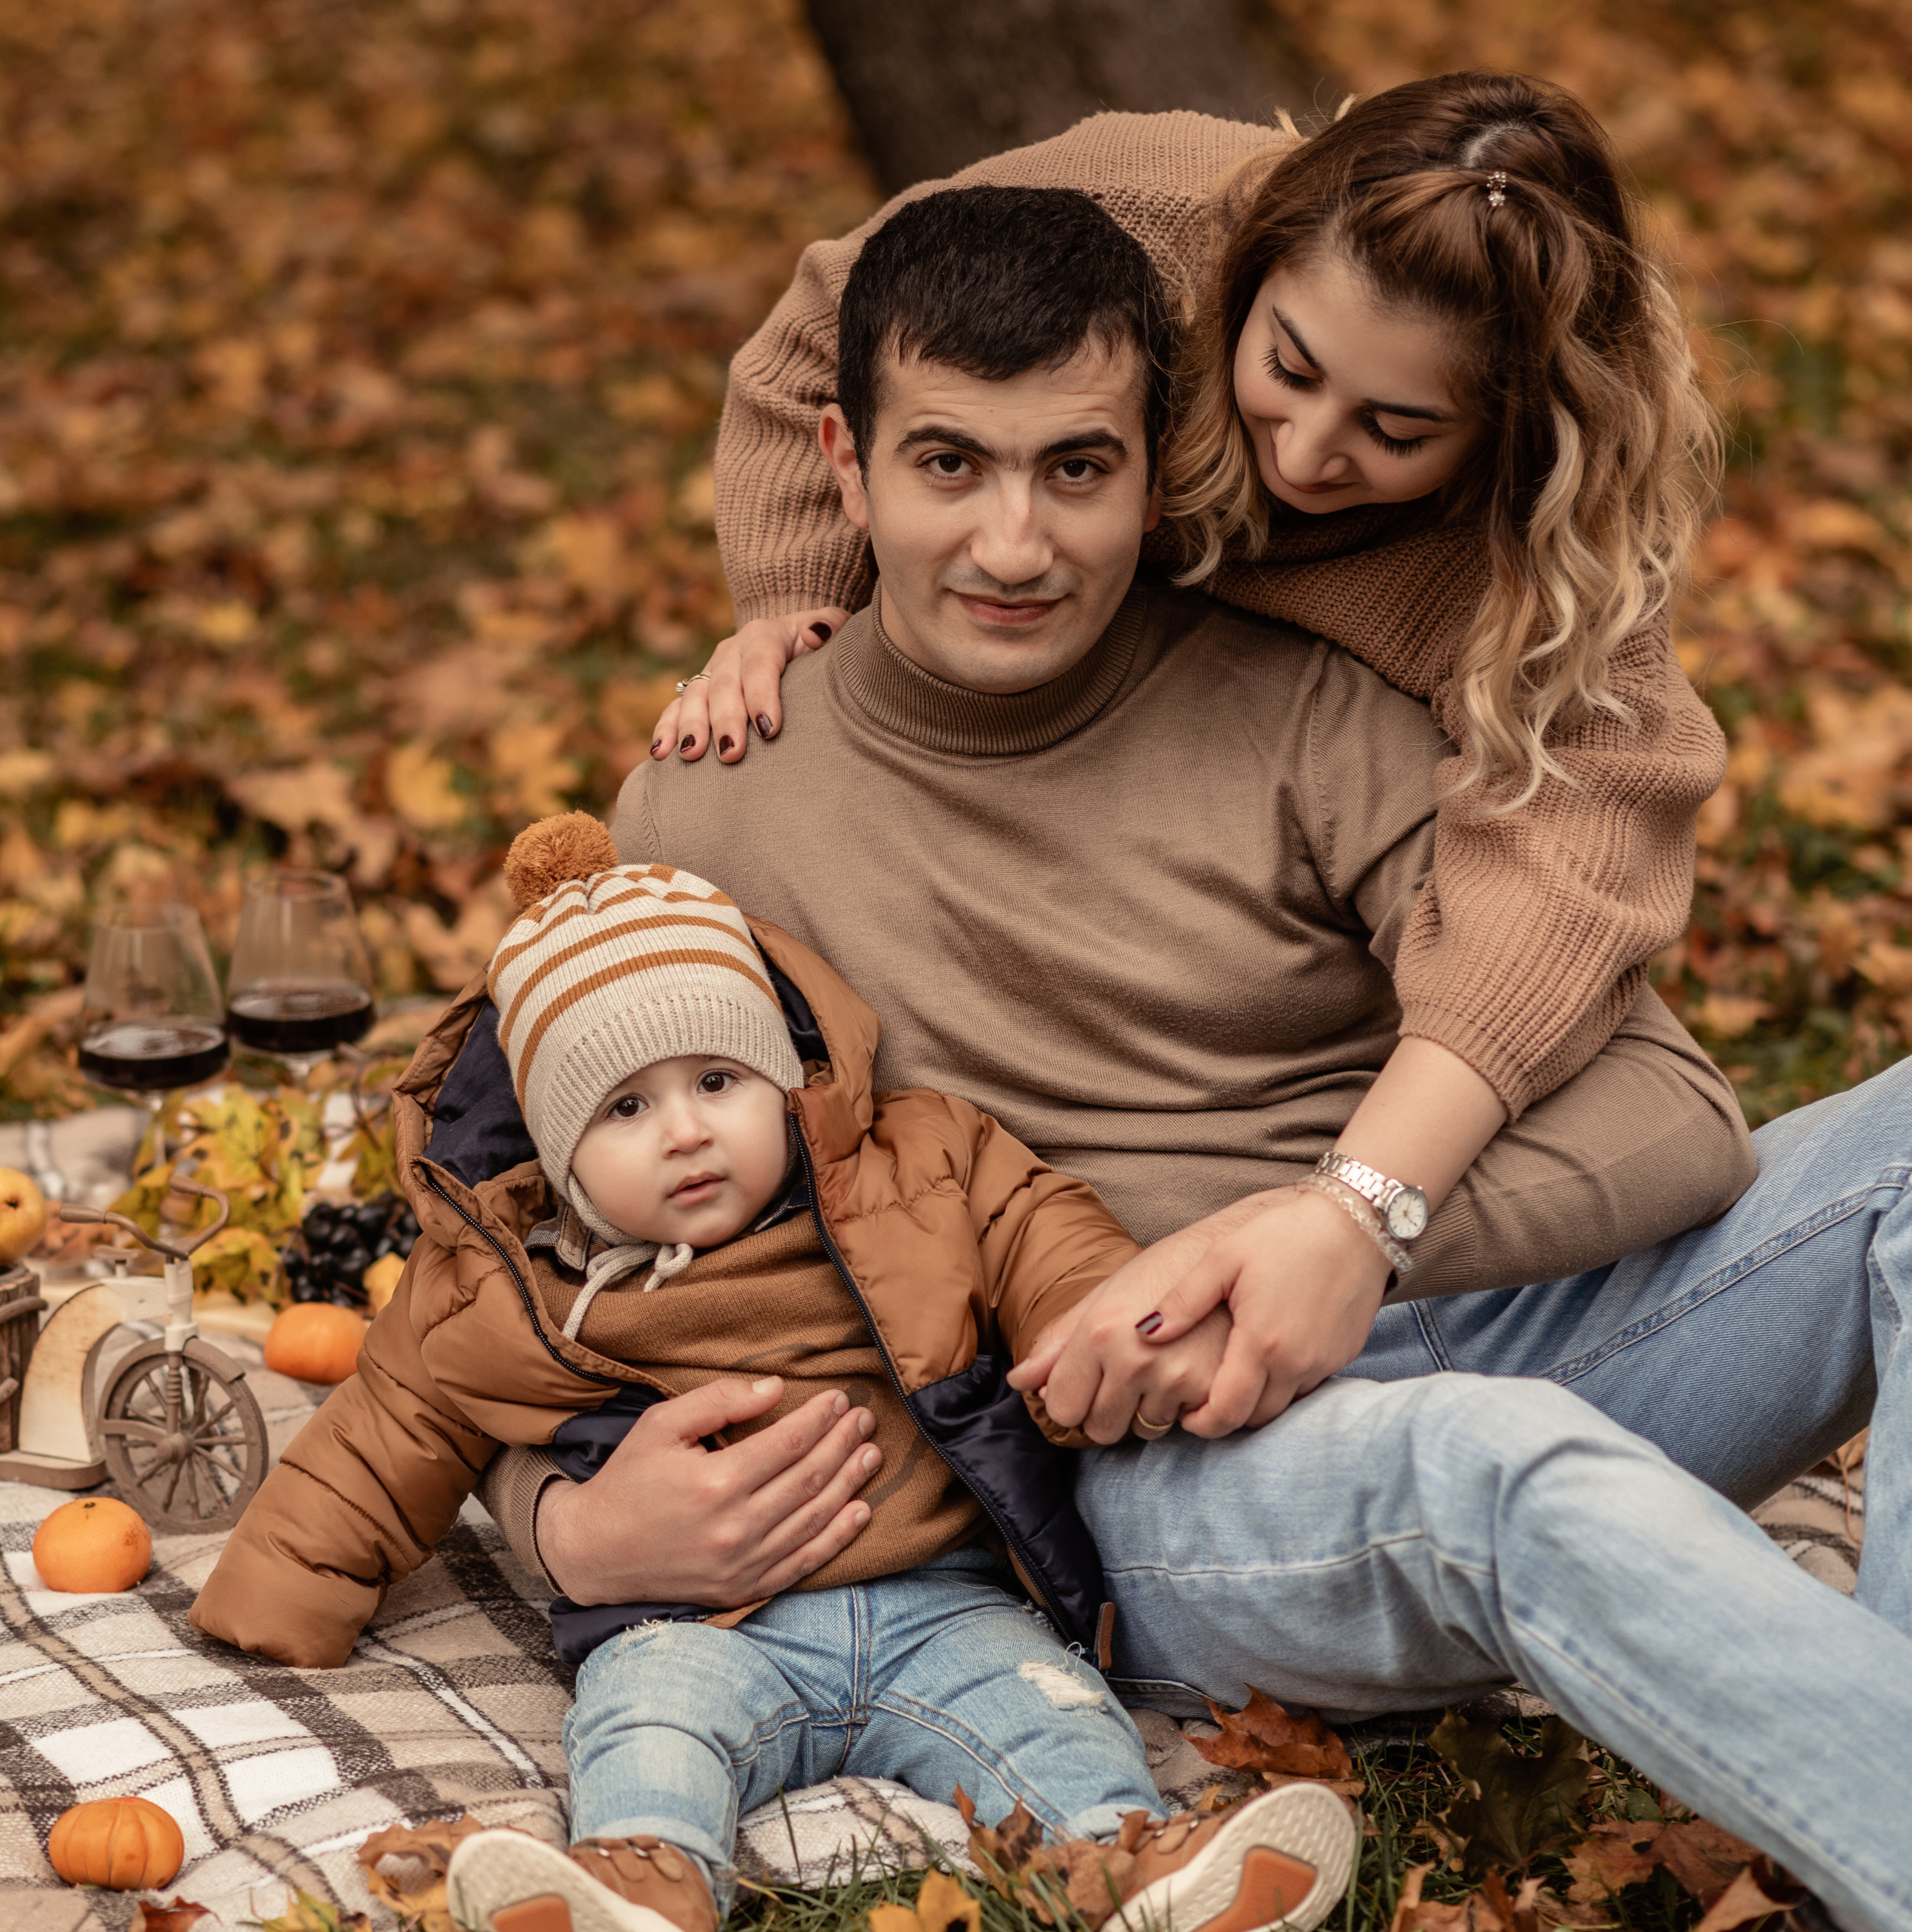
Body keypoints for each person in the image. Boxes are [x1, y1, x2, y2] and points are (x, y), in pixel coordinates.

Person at [475, 182, 1912, 1929]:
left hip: (1452, 1307)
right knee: (1494, 1466)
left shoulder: (1305, 706)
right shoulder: (712, 800)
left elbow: (1676, 1119)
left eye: (1074, 468)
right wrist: (560, 1527)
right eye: (949, 466)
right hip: (1138, 1469)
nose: (1013, 542)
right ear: (841, 471)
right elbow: (513, 1221)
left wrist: (1326, 1231)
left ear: (1157, 466)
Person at [653, 71, 1729, 1376]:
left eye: (1394, 428)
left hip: (1344, 1183)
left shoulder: (1529, 549)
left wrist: (1351, 1213)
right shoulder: (1146, 203)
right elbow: (834, 328)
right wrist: (795, 609)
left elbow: (1575, 862)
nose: (1308, 451)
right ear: (1252, 262)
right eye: (1287, 367)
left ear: (1506, 433)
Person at [189, 818, 1359, 1932]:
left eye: (718, 1081)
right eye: (625, 1107)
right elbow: (383, 1430)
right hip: (695, 1623)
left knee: (1052, 1717)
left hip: (943, 1601)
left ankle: (1123, 1858)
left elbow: (1042, 1237)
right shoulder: (508, 1286)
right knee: (648, 1725)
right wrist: (274, 1597)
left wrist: (1121, 1329)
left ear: (785, 1078)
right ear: (559, 1158)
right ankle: (644, 1875)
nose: (687, 1132)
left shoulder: (917, 1168)